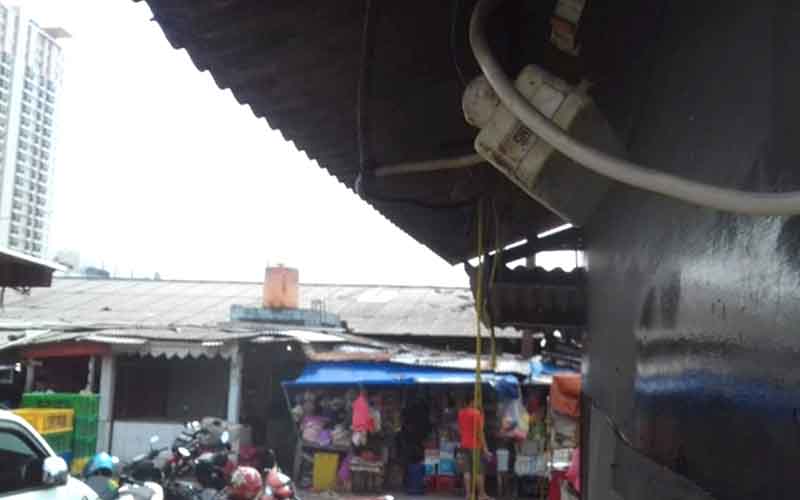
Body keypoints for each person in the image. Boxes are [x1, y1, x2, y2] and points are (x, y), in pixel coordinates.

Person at [458, 396, 492, 500]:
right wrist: (485, 449)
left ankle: (468, 494)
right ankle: (481, 494)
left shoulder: (461, 413)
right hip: (475, 446)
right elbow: (480, 433)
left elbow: (460, 429)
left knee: (466, 471)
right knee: (479, 471)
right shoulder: (476, 414)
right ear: (472, 401)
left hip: (464, 444)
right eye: (477, 400)